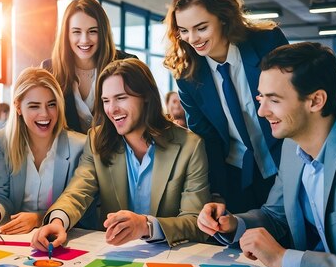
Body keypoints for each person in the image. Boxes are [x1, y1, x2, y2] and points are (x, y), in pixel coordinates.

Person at [197, 42, 336, 267]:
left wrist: (284, 259)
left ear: (315, 100)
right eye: (261, 97)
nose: (261, 111)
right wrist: (232, 224)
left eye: (274, 100)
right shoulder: (292, 144)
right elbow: (275, 215)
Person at [31, 58, 210, 252]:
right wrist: (58, 221)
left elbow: (195, 221)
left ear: (146, 97)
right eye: (106, 100)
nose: (112, 109)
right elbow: (77, 191)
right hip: (115, 256)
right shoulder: (96, 140)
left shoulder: (190, 146)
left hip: (173, 257)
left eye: (121, 98)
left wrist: (146, 226)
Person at [164, 0, 288, 213]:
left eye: (201, 28)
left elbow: (294, 106)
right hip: (235, 177)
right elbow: (206, 138)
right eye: (184, 31)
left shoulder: (267, 43)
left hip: (285, 165)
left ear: (223, 17)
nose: (193, 39)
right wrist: (217, 192)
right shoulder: (187, 74)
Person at [0, 67, 95, 234]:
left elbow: (83, 209)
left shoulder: (80, 145)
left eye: (51, 104)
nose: (45, 114)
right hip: (16, 239)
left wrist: (39, 219)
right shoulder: (3, 141)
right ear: (18, 107)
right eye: (34, 106)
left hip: (63, 239)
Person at [41, 0, 137, 134]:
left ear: (103, 33)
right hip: (67, 153)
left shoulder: (128, 65)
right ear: (66, 34)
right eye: (76, 32)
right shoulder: (49, 70)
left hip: (118, 152)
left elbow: (140, 116)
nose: (84, 40)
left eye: (92, 31)